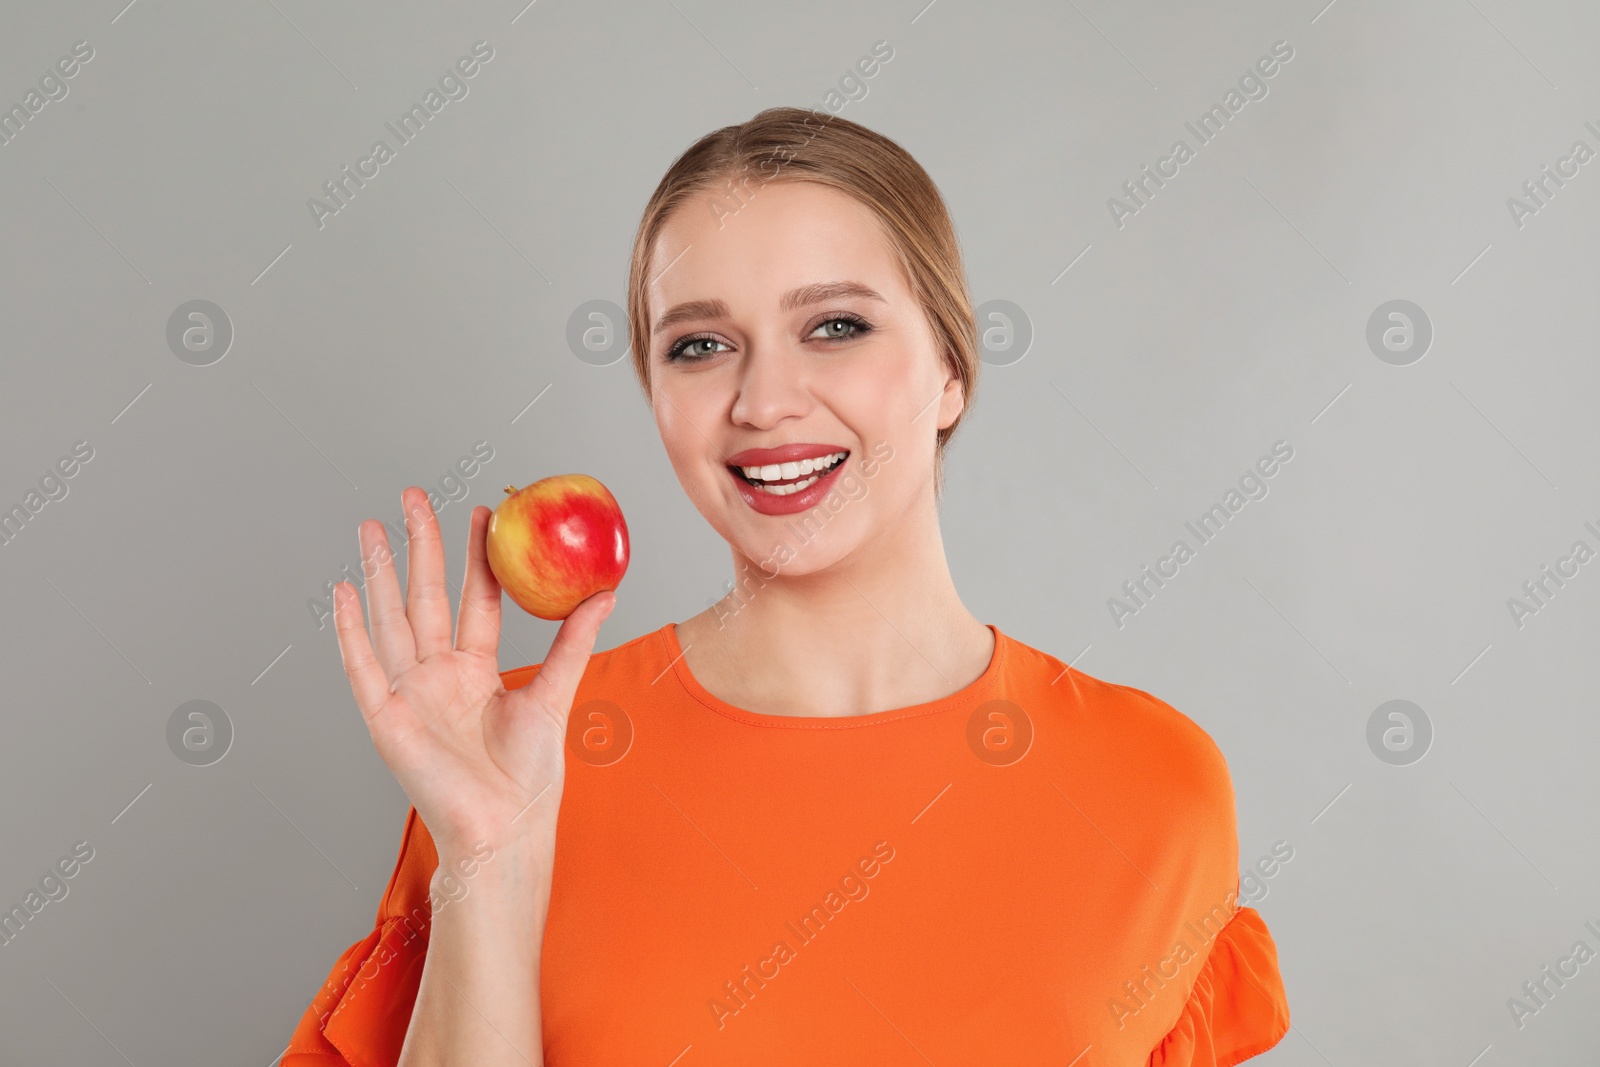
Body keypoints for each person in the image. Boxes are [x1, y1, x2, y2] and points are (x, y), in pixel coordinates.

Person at [283, 106, 1289, 1066]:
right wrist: (488, 859)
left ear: (950, 369)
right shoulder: (513, 758)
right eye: (700, 346)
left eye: (836, 325)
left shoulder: (1155, 787)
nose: (763, 400)